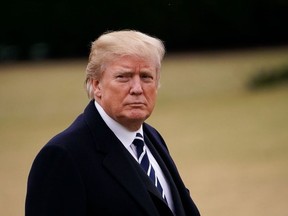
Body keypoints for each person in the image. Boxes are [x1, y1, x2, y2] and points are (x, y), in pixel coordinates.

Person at [25, 30, 200, 216]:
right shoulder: (63, 156)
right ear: (96, 85)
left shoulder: (152, 137)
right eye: (123, 77)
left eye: (146, 77)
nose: (137, 89)